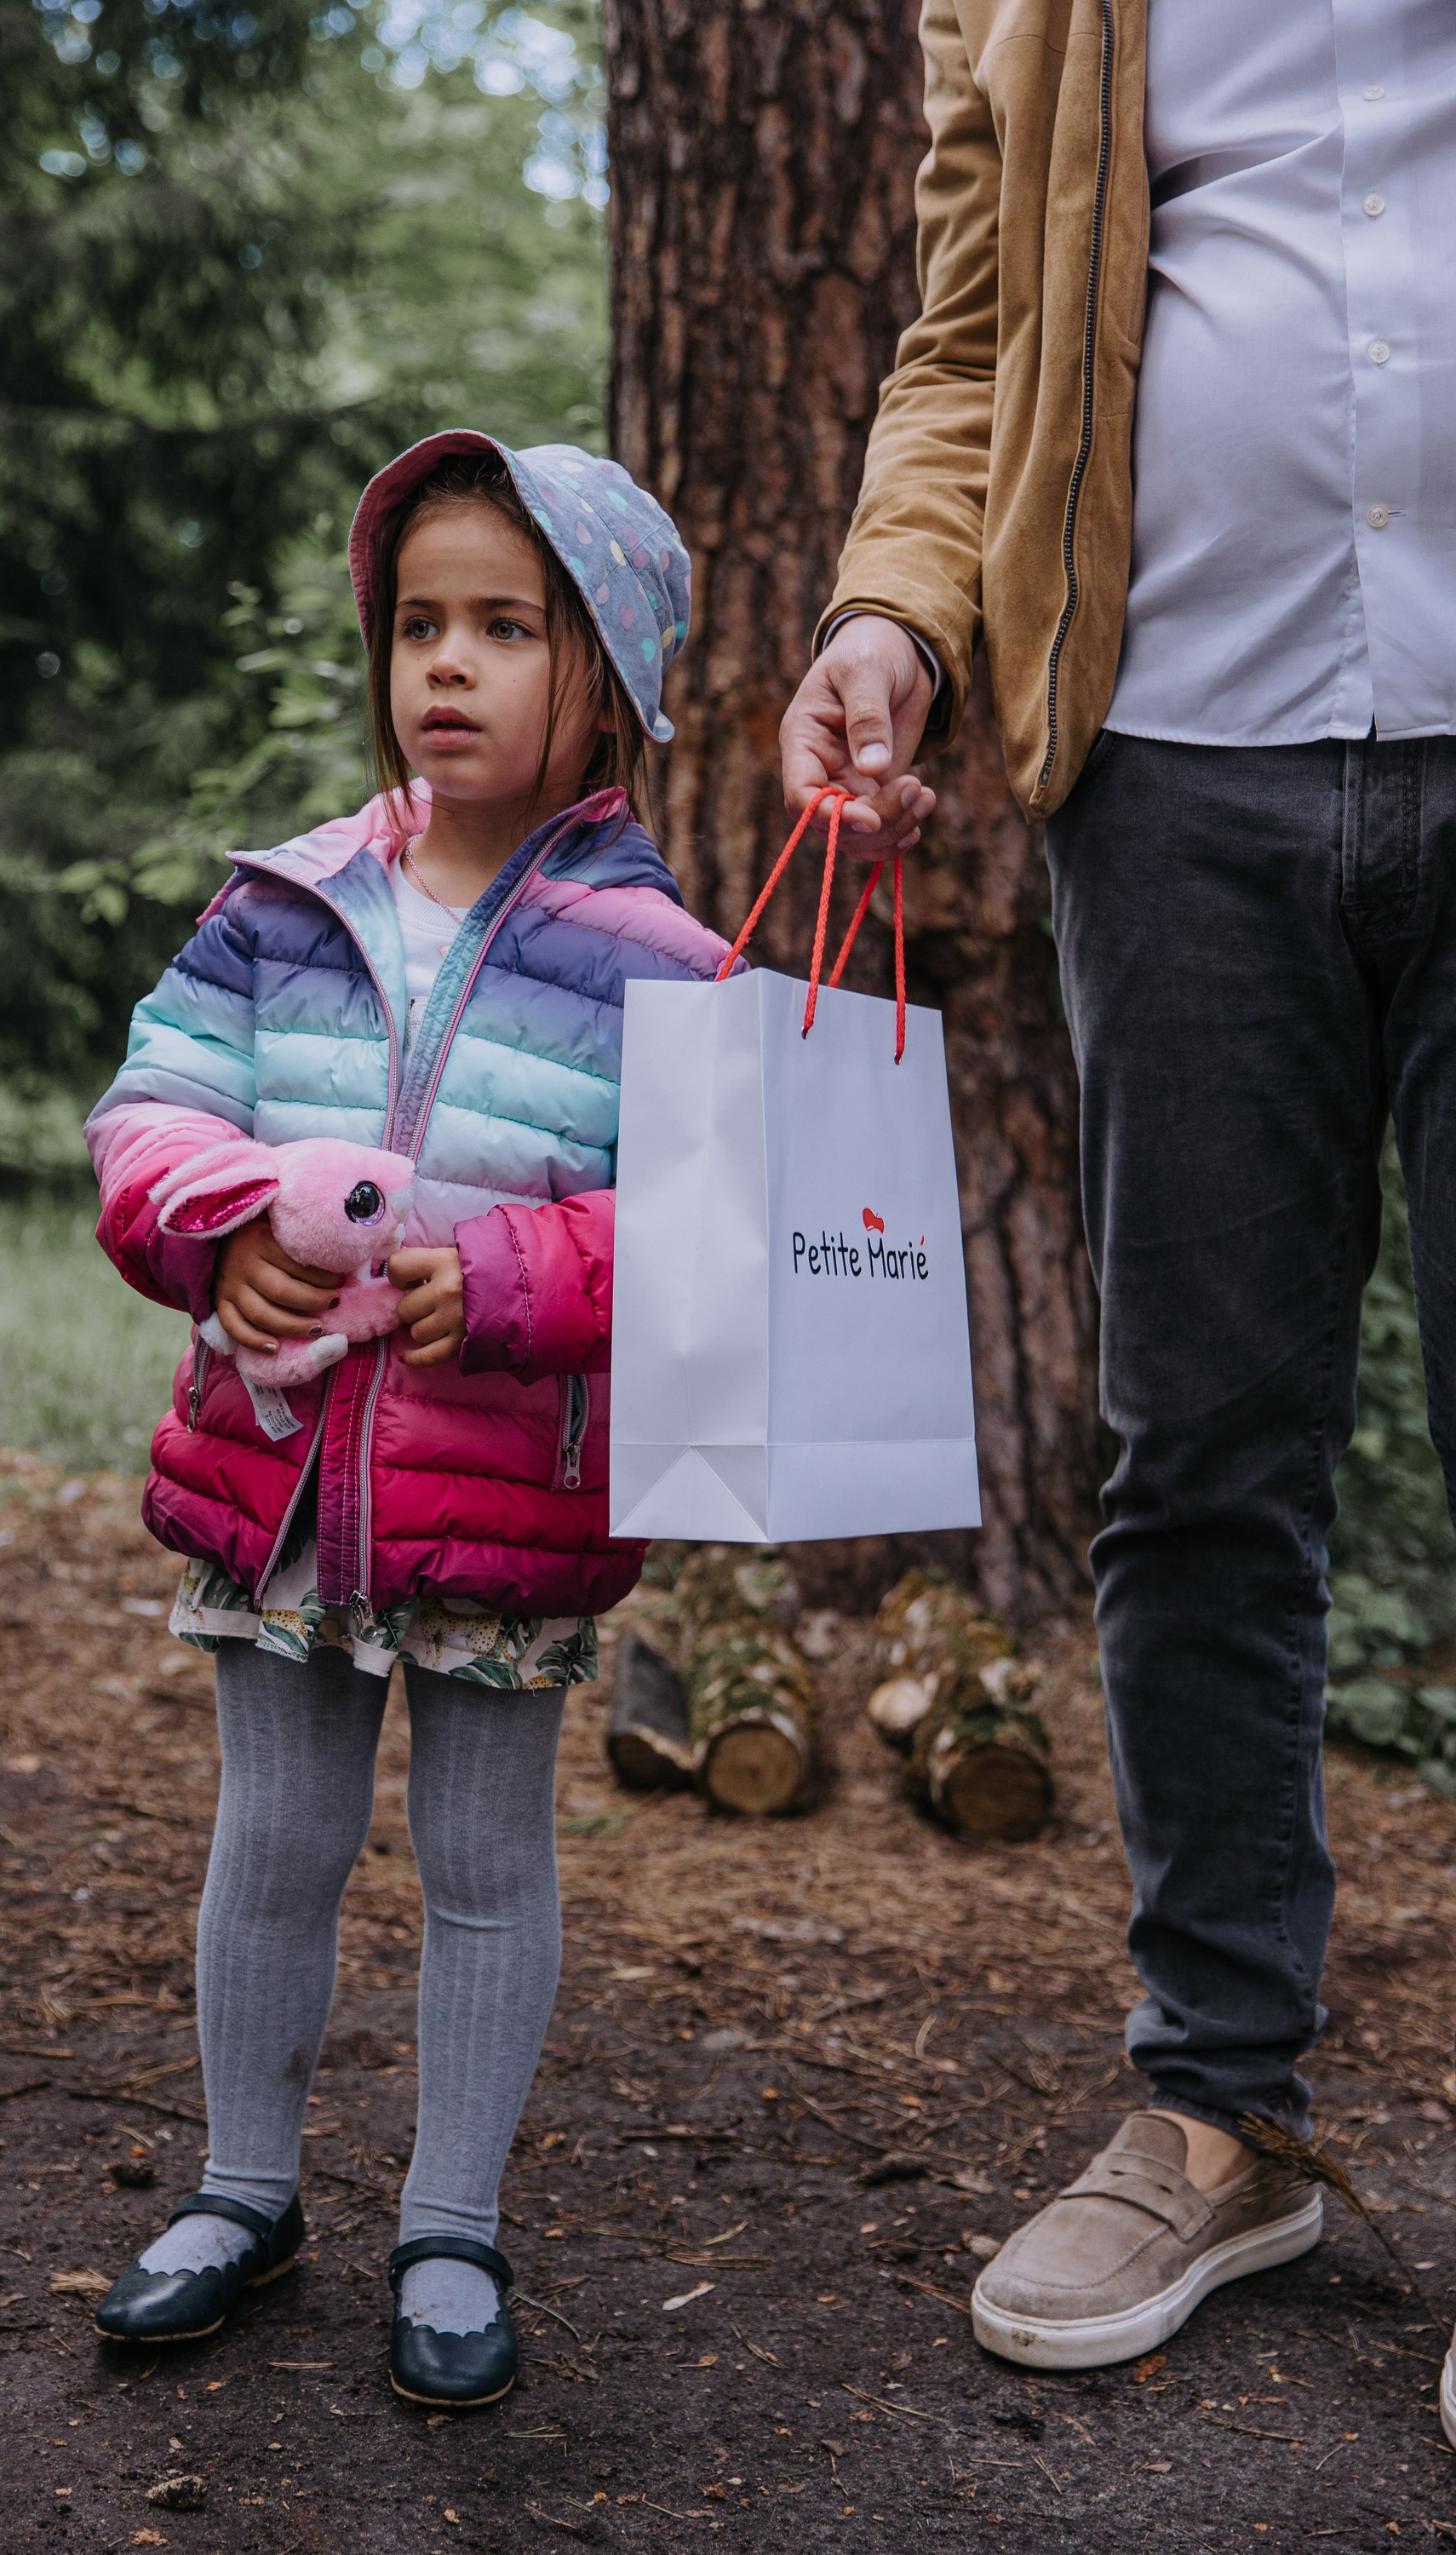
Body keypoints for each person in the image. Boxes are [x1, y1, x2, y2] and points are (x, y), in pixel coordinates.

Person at [782, 0, 1456, 2386]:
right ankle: (1220, 2115)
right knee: (1200, 1455)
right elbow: (975, 339)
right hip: (1175, 760)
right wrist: (893, 608)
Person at [84, 433, 725, 2406]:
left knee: (483, 1863)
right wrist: (215, 1228)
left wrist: (529, 1281)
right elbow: (150, 1107)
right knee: (271, 1839)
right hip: (275, 1486)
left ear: (603, 676)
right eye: (418, 622)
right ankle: (244, 2189)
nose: (444, 662)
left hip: (503, 1498)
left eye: (503, 627)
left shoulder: (663, 963)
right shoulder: (284, 904)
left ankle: (448, 2224)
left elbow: (706, 1226)